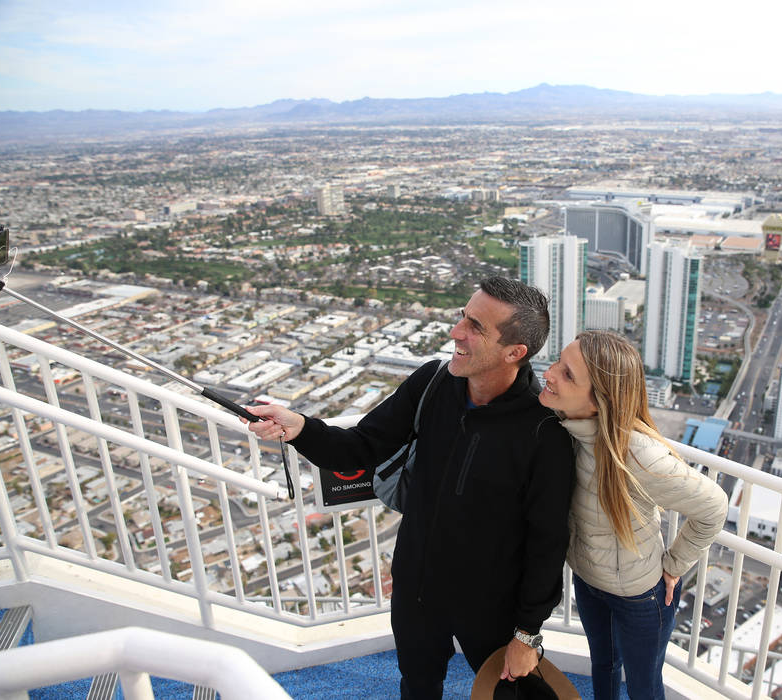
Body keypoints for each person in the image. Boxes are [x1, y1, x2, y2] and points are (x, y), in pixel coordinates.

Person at [245, 276, 575, 699]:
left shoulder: (543, 431)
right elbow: (361, 446)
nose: (456, 332)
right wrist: (301, 429)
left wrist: (528, 633)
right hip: (418, 588)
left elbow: (547, 542)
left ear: (515, 352)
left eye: (476, 327)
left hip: (493, 606)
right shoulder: (433, 383)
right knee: (417, 687)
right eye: (462, 317)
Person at [538, 330, 728, 700]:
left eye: (568, 374)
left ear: (599, 401)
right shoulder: (564, 429)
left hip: (640, 597)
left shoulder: (637, 455)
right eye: (558, 362)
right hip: (590, 582)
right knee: (604, 666)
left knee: (643, 687)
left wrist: (674, 564)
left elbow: (714, 506)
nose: (549, 373)